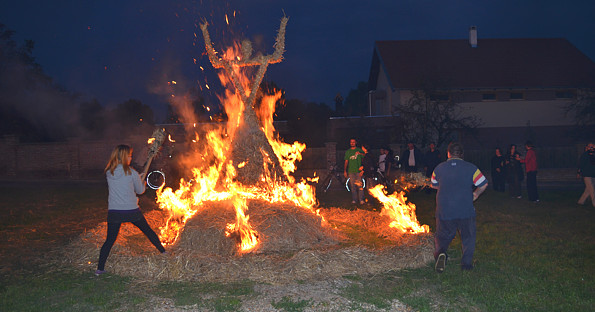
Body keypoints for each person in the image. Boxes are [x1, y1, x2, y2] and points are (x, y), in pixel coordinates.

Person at [96, 145, 166, 276]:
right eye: (129, 156)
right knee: (148, 231)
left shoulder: (109, 172)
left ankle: (99, 268)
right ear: (124, 157)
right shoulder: (131, 172)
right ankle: (164, 252)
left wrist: (136, 178)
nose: (130, 158)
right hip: (131, 210)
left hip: (114, 211)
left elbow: (123, 183)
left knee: (109, 240)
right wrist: (141, 181)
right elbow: (140, 191)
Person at [431, 142, 487, 273]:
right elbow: (483, 183)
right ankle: (466, 264)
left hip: (444, 209)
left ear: (448, 153)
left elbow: (433, 184)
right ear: (462, 154)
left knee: (442, 236)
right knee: (468, 236)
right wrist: (475, 194)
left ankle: (441, 254)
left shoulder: (439, 168)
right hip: (465, 209)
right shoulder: (471, 168)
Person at [344, 138, 364, 205]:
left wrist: (360, 153)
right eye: (351, 142)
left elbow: (365, 156)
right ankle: (354, 200)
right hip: (351, 171)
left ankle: (361, 200)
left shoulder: (359, 150)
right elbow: (346, 161)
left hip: (358, 171)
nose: (352, 143)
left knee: (360, 186)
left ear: (356, 142)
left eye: (353, 142)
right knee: (353, 186)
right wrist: (345, 171)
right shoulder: (348, 152)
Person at [577, 142, 595, 207]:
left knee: (588, 190)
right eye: (590, 146)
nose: (592, 147)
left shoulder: (593, 155)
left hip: (593, 175)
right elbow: (581, 164)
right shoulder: (585, 155)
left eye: (593, 146)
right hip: (587, 175)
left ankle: (580, 202)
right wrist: (579, 172)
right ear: (587, 148)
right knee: (592, 190)